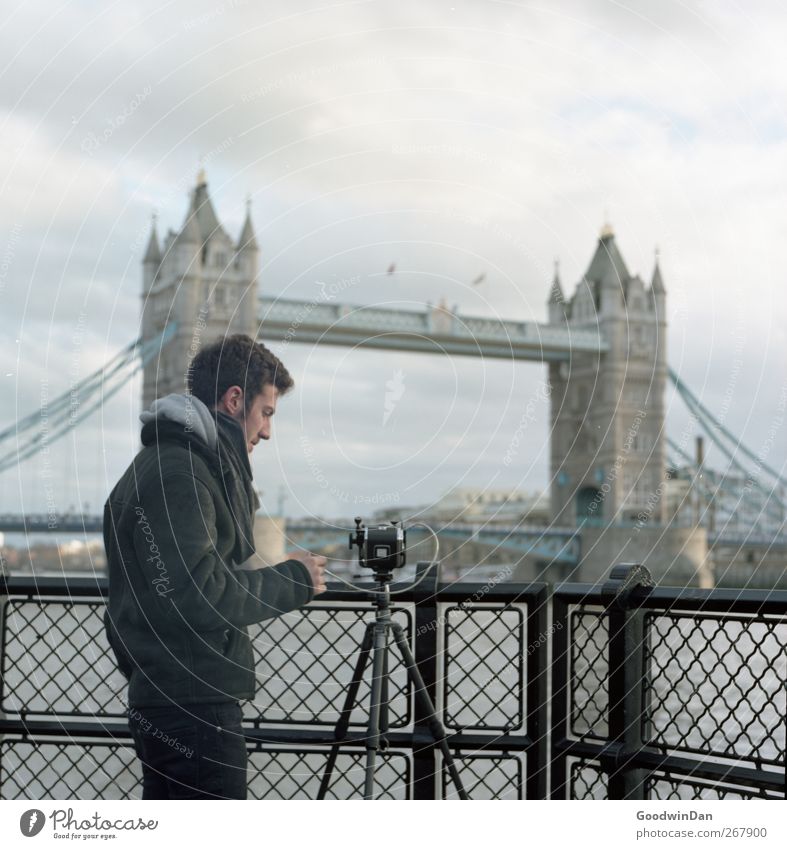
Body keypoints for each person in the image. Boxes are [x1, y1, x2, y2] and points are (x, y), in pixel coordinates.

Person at [102, 333, 327, 799]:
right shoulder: (180, 474)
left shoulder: (170, 464)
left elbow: (136, 604)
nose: (266, 431)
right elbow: (198, 594)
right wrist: (296, 579)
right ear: (233, 400)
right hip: (192, 709)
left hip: (176, 699)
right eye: (266, 413)